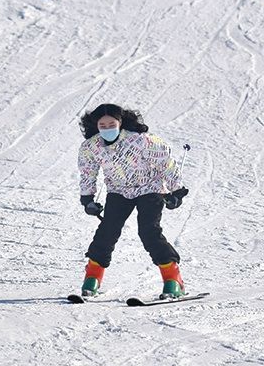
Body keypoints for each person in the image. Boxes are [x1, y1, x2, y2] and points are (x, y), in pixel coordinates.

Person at [76, 103, 190, 299]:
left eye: (112, 124)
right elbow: (88, 172)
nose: (107, 129)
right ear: (96, 125)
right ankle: (92, 278)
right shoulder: (91, 147)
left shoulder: (141, 141)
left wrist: (176, 192)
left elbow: (165, 162)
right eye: (102, 126)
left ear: (120, 122)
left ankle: (173, 279)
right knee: (107, 231)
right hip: (119, 191)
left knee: (148, 231)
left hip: (149, 188)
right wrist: (87, 199)